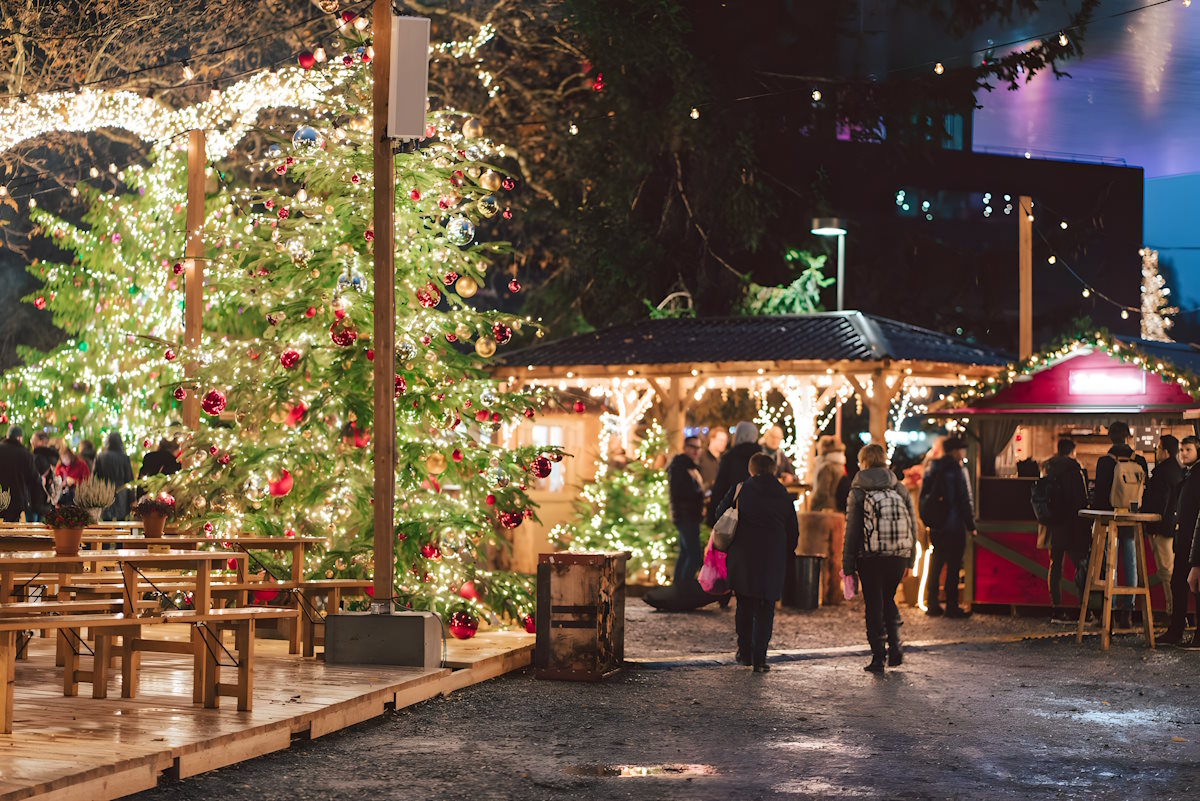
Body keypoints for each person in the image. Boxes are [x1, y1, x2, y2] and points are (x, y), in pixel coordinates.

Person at [713, 452, 799, 672]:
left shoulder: (741, 489)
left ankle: (745, 652)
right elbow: (793, 532)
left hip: (744, 557)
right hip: (772, 559)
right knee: (766, 607)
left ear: (751, 469)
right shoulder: (783, 494)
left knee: (744, 605)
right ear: (773, 470)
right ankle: (760, 658)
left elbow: (719, 514)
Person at [843, 443, 915, 672]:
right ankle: (895, 647)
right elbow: (912, 523)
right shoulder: (899, 487)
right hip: (898, 555)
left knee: (874, 603)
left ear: (863, 462)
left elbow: (852, 531)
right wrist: (910, 559)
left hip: (870, 556)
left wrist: (848, 565)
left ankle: (877, 657)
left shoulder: (858, 491)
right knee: (888, 597)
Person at [1090, 421, 1148, 630]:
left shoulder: (1105, 462)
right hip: (1132, 519)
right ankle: (1128, 614)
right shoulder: (1139, 460)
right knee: (1131, 564)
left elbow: (1099, 495)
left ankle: (1110, 611)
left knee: (1110, 565)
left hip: (1109, 519)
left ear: (1110, 437)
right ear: (1128, 436)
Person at [919, 436, 975, 618]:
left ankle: (932, 603)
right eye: (962, 449)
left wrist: (929, 519)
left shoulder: (931, 469)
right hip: (954, 524)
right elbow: (964, 499)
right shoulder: (957, 471)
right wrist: (970, 524)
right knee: (953, 566)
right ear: (955, 451)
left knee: (936, 562)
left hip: (936, 525)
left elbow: (923, 498)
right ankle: (951, 605)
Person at [1041, 438, 1091, 622]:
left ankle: (1056, 608)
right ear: (1072, 452)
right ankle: (1083, 609)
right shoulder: (1075, 470)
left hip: (1055, 526)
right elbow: (1081, 500)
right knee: (1081, 566)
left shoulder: (1048, 469)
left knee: (1055, 566)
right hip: (1073, 525)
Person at [1162, 435, 1200, 644]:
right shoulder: (1188, 474)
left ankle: (1186, 632)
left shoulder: (1196, 475)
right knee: (1178, 583)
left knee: (1190, 585)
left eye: (1188, 450)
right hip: (1183, 539)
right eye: (1182, 450)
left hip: (1192, 541)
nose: (1183, 453)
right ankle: (1176, 629)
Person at [1142, 435, 1184, 617]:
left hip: (1162, 529)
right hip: (1170, 528)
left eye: (1158, 448)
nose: (1156, 451)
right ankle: (1174, 612)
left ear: (1165, 452)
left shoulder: (1162, 473)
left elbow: (1161, 502)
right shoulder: (1178, 471)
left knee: (1166, 571)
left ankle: (1173, 613)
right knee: (1168, 570)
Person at [706, 421, 762, 527]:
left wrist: (712, 516)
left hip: (733, 514)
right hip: (758, 512)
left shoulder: (730, 457)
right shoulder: (761, 457)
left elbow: (720, 488)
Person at [668, 436, 706, 586]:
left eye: (698, 448)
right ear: (685, 447)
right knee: (694, 554)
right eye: (692, 447)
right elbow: (680, 492)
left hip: (689, 515)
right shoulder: (680, 466)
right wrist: (699, 495)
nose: (695, 451)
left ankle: (677, 588)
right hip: (685, 515)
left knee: (685, 553)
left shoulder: (691, 467)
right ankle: (682, 589)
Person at [0, 425, 44, 523]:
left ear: (7, 436)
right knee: (13, 534)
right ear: (20, 438)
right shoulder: (25, 454)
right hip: (16, 502)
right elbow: (33, 479)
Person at [93, 431, 135, 520]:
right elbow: (129, 479)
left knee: (106, 521)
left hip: (105, 491)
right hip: (121, 492)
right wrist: (132, 498)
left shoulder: (100, 457)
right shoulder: (124, 458)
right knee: (121, 522)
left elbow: (94, 478)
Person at [810, 435, 846, 512]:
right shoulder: (839, 464)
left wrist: (813, 504)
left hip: (824, 508)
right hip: (836, 507)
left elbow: (822, 491)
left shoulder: (826, 467)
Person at [697, 427, 728, 492]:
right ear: (712, 439)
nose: (724, 443)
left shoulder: (726, 458)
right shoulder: (701, 456)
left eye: (725, 441)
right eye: (721, 440)